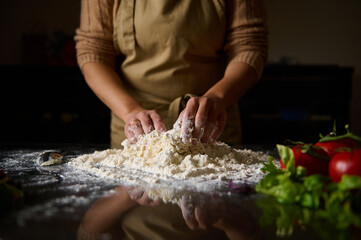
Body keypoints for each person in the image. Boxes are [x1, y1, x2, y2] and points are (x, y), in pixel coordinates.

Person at [75, 0, 268, 148]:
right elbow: (94, 52)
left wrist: (217, 97)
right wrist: (130, 111)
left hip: (210, 129)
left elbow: (248, 45)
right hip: (134, 130)